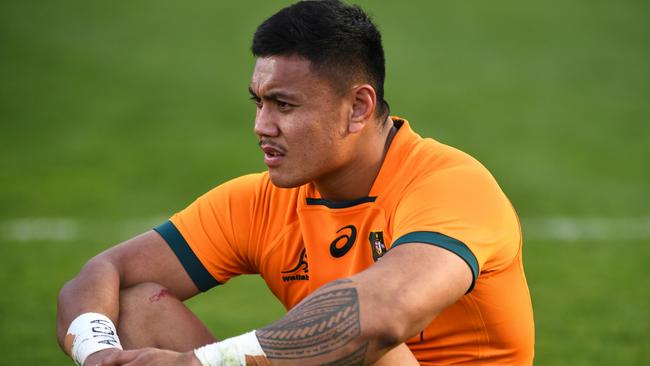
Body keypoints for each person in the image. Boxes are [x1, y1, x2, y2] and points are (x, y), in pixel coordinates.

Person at [56, 0, 535, 365]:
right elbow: (102, 273)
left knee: (358, 331)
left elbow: (384, 314)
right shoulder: (259, 200)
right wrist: (100, 355)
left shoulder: (452, 185)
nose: (262, 126)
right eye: (258, 102)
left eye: (284, 105)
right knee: (134, 307)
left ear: (359, 108)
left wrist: (198, 362)